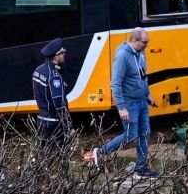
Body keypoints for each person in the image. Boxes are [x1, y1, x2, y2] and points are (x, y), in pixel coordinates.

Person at [84, 28, 158, 178]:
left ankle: (141, 168)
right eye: (144, 42)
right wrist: (122, 108)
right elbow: (115, 84)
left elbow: (143, 76)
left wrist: (148, 94)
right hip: (130, 104)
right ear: (134, 40)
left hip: (142, 101)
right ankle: (101, 151)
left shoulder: (140, 53)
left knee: (145, 134)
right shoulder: (123, 56)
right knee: (131, 136)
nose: (147, 45)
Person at [32, 37, 70, 147]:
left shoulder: (38, 70)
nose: (64, 55)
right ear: (56, 56)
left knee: (44, 153)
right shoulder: (54, 76)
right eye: (62, 53)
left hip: (41, 118)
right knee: (58, 153)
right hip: (53, 121)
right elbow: (59, 104)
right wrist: (68, 126)